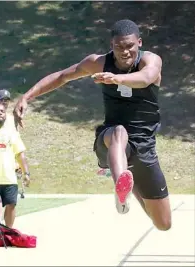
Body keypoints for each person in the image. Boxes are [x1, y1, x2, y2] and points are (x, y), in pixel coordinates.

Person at [13, 19, 171, 231]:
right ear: (111, 45)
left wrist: (118, 79)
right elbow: (62, 76)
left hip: (144, 146)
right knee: (119, 132)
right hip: (110, 140)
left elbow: (146, 78)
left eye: (129, 46)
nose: (124, 52)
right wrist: (27, 96)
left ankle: (127, 188)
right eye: (118, 47)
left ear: (139, 43)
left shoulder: (150, 60)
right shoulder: (98, 62)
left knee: (163, 224)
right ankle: (120, 187)